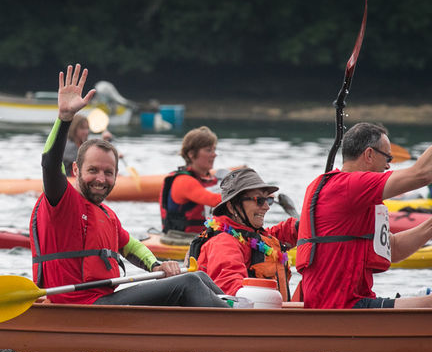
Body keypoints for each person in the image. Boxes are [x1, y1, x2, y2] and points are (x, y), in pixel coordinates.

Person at [30, 64, 228, 308]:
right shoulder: (61, 200)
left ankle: (238, 308)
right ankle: (238, 334)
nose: (101, 179)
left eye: (108, 172)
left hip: (103, 299)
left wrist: (157, 265)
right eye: (93, 170)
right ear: (75, 171)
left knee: (199, 276)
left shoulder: (106, 215)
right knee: (189, 283)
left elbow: (130, 245)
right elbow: (49, 164)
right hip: (80, 305)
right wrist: (64, 118)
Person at [295, 90, 432, 310]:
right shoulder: (349, 185)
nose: (389, 165)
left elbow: (394, 250)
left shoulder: (357, 197)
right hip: (339, 307)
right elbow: (422, 174)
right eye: (387, 158)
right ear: (368, 155)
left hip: (353, 301)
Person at [192, 168, 299, 299]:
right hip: (249, 316)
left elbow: (275, 237)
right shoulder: (224, 243)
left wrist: (302, 226)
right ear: (232, 207)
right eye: (259, 200)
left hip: (268, 315)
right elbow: (231, 289)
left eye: (268, 200)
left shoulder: (249, 235)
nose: (266, 207)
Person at [159, 126, 222, 233]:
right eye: (208, 150)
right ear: (191, 154)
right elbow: (215, 201)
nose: (214, 154)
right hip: (181, 238)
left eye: (214, 150)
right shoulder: (184, 181)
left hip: (199, 235)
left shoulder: (209, 178)